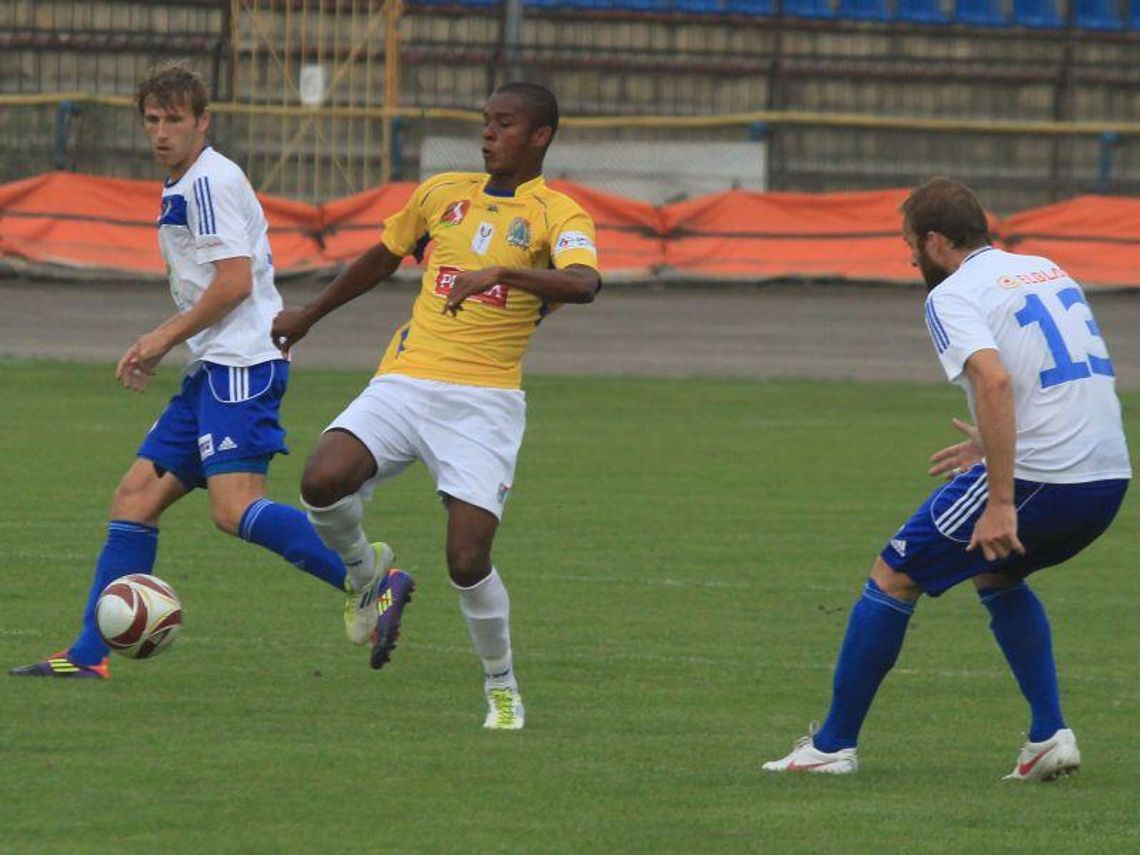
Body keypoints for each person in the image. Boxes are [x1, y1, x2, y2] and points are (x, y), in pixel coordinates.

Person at [763, 177, 1131, 780]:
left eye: (910, 243)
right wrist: (990, 442)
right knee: (996, 571)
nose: (908, 257)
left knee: (895, 573)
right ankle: (1046, 735)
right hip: (1108, 473)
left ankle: (830, 748)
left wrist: (1001, 499)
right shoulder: (1042, 267)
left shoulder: (951, 294)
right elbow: (1053, 375)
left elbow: (995, 381)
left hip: (1046, 476)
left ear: (935, 241)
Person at [270, 82, 601, 730]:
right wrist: (310, 313)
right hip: (406, 380)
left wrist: (504, 273)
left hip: (485, 401)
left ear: (540, 137)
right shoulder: (442, 194)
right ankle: (368, 573)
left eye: (504, 124)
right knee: (321, 478)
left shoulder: (558, 213)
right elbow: (382, 255)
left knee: (467, 557)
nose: (488, 134)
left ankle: (501, 684)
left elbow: (585, 283)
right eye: (484, 122)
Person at [10, 63, 352, 679]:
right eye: (152, 120)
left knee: (234, 508)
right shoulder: (188, 180)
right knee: (135, 497)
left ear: (203, 121)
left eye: (174, 120)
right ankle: (89, 657)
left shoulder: (209, 183)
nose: (161, 132)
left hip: (241, 365)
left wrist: (161, 338)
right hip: (214, 366)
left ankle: (365, 579)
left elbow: (233, 283)